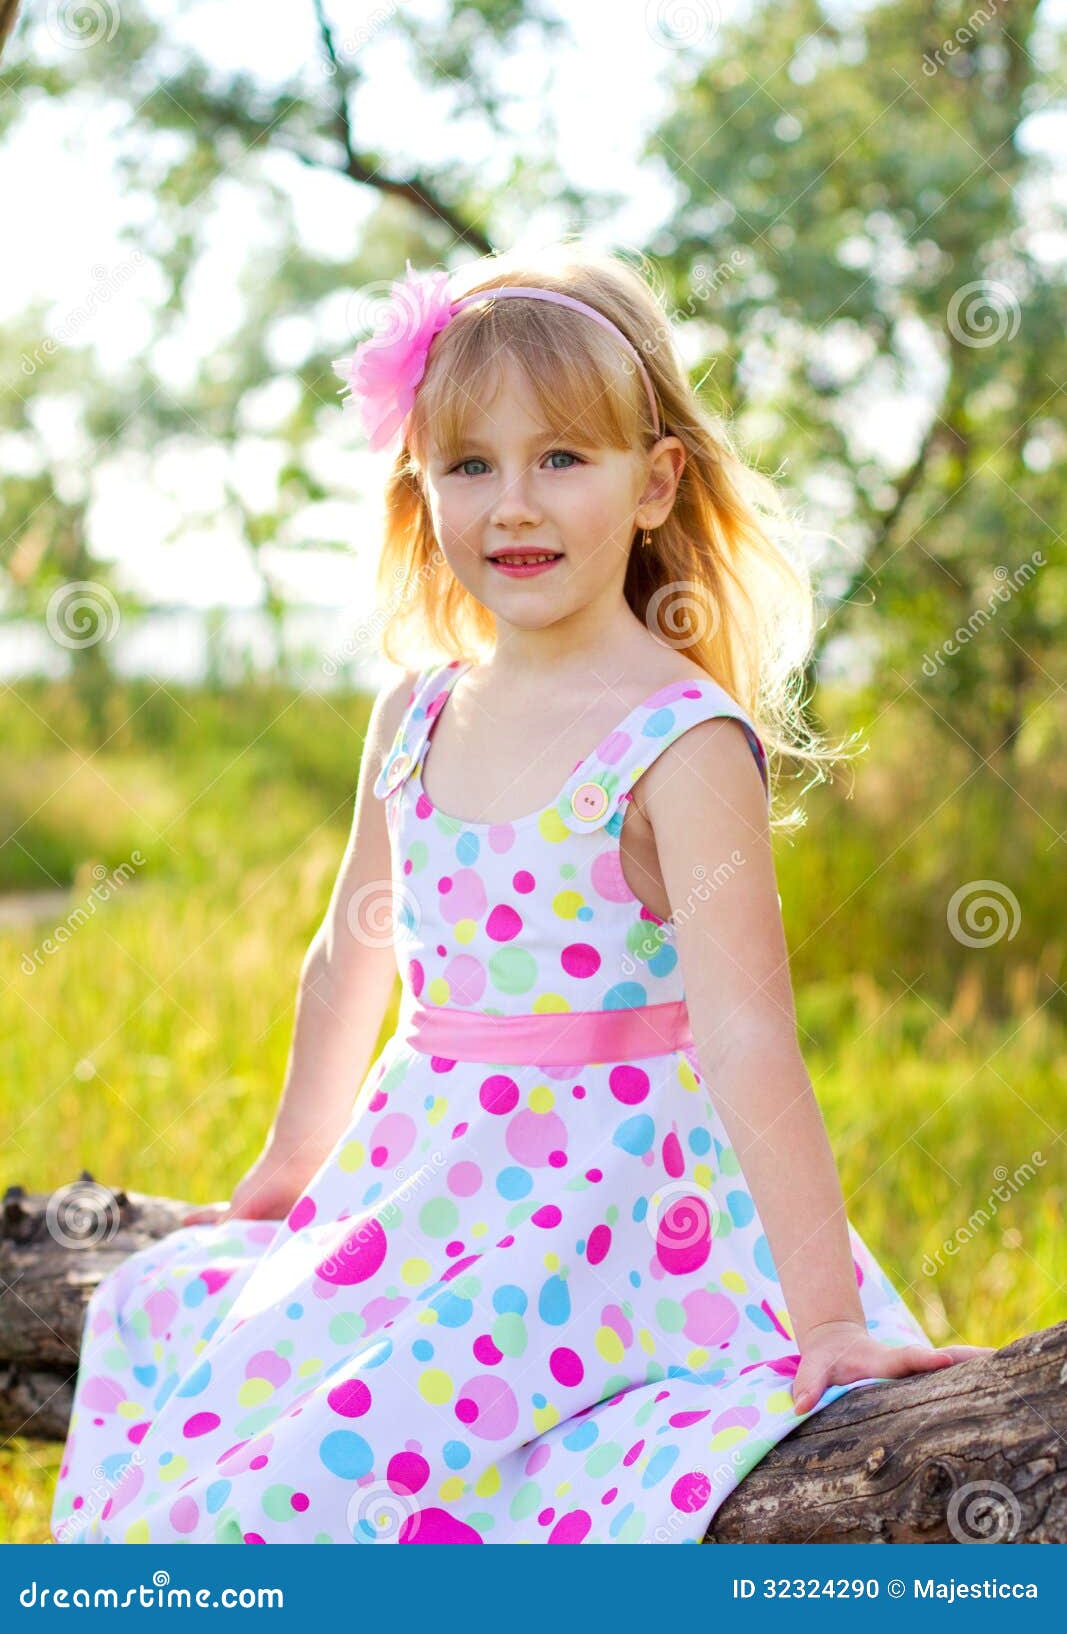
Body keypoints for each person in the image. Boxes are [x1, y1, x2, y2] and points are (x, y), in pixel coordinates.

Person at [50, 241, 990, 1546]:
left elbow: (749, 1038)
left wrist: (826, 1316)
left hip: (610, 1209)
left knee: (306, 1485)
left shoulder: (680, 738)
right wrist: (286, 1172)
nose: (514, 504)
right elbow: (349, 958)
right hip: (426, 1176)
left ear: (655, 480)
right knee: (162, 1337)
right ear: (420, 484)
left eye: (562, 458)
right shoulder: (417, 710)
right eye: (470, 464)